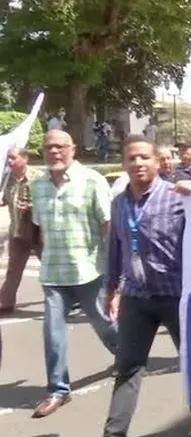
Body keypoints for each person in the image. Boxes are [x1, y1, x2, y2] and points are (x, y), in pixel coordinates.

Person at [66, 135, 191, 437]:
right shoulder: (119, 203)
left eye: (144, 157)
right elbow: (116, 246)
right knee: (128, 368)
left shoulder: (178, 198)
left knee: (189, 357)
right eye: (132, 158)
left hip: (174, 293)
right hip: (136, 297)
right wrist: (111, 286)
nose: (138, 163)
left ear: (157, 160)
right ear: (125, 162)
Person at [29, 130, 118, 418]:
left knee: (104, 324)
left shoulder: (92, 180)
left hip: (88, 270)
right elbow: (39, 227)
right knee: (52, 333)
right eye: (49, 147)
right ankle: (57, 389)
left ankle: (128, 356)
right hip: (53, 272)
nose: (54, 152)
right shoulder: (38, 185)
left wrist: (115, 270)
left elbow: (107, 226)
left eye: (60, 147)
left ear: (72, 149)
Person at [0, 147, 43, 313]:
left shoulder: (38, 178)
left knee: (49, 268)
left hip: (37, 231)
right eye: (8, 158)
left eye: (13, 158)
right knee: (13, 269)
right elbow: (6, 198)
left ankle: (69, 298)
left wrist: (30, 206)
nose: (10, 161)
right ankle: (6, 303)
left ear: (25, 159)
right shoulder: (8, 178)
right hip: (18, 231)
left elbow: (49, 201)